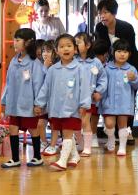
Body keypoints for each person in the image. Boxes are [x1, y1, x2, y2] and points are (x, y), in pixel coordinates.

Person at [34, 34, 91, 171]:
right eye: (62, 46)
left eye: (69, 46)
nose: (65, 49)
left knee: (67, 133)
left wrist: (84, 104)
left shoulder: (80, 69)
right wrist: (39, 103)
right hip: (56, 109)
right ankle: (75, 155)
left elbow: (85, 88)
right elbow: (45, 88)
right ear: (57, 50)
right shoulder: (52, 70)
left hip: (73, 109)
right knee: (66, 133)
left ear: (75, 50)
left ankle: (62, 161)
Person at [95, 0, 138, 144]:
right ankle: (112, 131)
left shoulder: (126, 27)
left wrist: (127, 69)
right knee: (110, 95)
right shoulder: (100, 28)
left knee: (128, 98)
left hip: (129, 63)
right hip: (110, 66)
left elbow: (129, 50)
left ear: (114, 13)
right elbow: (100, 47)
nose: (102, 16)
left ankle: (128, 131)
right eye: (100, 13)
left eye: (106, 12)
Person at [0, 28, 45, 168]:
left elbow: (38, 85)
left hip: (28, 104)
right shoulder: (14, 60)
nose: (15, 43)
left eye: (18, 40)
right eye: (14, 39)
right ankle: (15, 158)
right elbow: (8, 83)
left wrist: (38, 104)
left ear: (28, 42)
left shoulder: (35, 63)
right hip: (14, 104)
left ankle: (37, 157)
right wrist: (4, 101)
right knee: (13, 128)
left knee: (33, 129)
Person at [98, 39, 138, 156]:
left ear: (129, 54)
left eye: (125, 52)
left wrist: (134, 79)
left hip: (124, 102)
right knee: (109, 124)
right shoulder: (107, 68)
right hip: (109, 102)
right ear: (113, 52)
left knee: (123, 124)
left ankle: (122, 147)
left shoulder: (131, 69)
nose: (122, 54)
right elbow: (102, 84)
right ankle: (111, 139)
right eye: (119, 51)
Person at [74, 32, 107, 157]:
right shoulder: (73, 61)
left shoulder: (96, 62)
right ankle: (81, 143)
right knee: (75, 123)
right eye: (75, 43)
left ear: (87, 45)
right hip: (73, 99)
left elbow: (103, 79)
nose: (75, 45)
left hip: (89, 98)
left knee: (85, 122)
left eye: (78, 43)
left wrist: (99, 91)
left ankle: (87, 147)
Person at [37, 40, 59, 156]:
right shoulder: (40, 65)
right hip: (44, 102)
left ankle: (53, 144)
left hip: (55, 102)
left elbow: (49, 81)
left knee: (55, 124)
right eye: (43, 51)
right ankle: (44, 142)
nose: (45, 53)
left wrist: (46, 68)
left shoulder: (57, 66)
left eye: (48, 51)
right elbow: (40, 82)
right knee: (40, 123)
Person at [91, 39, 110, 147]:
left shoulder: (107, 66)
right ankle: (93, 137)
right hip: (95, 97)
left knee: (105, 119)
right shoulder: (92, 64)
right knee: (94, 117)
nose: (98, 59)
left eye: (100, 56)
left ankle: (108, 137)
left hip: (105, 97)